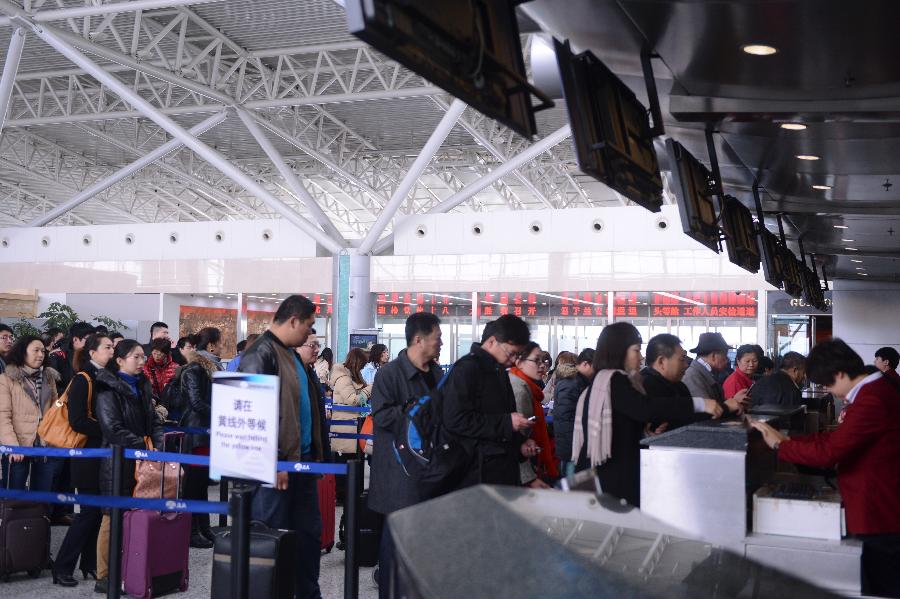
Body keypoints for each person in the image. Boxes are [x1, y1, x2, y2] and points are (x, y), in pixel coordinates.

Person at [751, 339, 900, 598]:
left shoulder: (871, 398)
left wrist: (780, 445)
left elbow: (832, 451)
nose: (831, 392)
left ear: (840, 374)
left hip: (882, 510)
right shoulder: (876, 389)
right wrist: (789, 440)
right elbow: (836, 441)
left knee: (882, 586)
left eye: (829, 384)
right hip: (880, 504)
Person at [573, 324, 721, 507]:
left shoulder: (609, 380)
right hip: (612, 477)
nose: (641, 356)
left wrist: (645, 433)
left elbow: (626, 420)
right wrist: (700, 404)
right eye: (636, 350)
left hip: (612, 473)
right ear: (619, 351)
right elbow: (645, 408)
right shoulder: (614, 379)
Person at [237, 295, 325, 599]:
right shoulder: (260, 354)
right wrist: (272, 461)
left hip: (300, 462)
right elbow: (250, 416)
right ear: (294, 321)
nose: (310, 333)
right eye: (309, 326)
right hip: (274, 470)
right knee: (272, 539)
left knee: (307, 537)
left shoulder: (289, 354)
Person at [367, 313, 443, 595]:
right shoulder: (390, 374)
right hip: (399, 473)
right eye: (437, 338)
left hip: (431, 471)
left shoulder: (437, 374)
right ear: (418, 339)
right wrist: (416, 412)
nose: (441, 343)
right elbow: (383, 416)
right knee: (395, 546)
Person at [92, 339, 164, 594]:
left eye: (143, 357)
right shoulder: (106, 389)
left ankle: (130, 569)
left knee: (138, 515)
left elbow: (153, 419)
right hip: (117, 461)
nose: (142, 361)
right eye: (136, 357)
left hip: (143, 460)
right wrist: (143, 444)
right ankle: (104, 575)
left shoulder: (142, 385)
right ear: (120, 361)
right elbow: (111, 428)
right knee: (111, 518)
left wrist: (156, 442)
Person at [440, 315, 536, 491]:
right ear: (492, 342)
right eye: (511, 353)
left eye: (518, 355)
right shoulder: (466, 369)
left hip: (501, 472)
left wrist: (520, 443)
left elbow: (501, 418)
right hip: (475, 476)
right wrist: (507, 422)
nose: (514, 360)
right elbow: (455, 419)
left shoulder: (498, 370)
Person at [52, 334, 114, 587]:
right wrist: (109, 428)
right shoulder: (83, 379)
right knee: (88, 513)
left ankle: (89, 563)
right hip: (86, 454)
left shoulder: (105, 378)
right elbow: (77, 420)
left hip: (102, 454)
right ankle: (63, 567)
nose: (112, 351)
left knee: (97, 513)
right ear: (92, 352)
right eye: (107, 347)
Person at [0, 335, 62, 492]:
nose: (41, 354)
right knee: (14, 495)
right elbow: (3, 416)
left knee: (42, 493)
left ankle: (39, 518)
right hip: (18, 445)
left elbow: (56, 410)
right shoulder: (6, 379)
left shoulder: (49, 377)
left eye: (42, 351)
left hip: (44, 444)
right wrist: (13, 447)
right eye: (35, 350)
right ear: (23, 352)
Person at [177, 344, 218, 548]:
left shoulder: (201, 370)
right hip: (197, 433)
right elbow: (196, 402)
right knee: (193, 484)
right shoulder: (196, 371)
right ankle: (192, 531)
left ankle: (203, 527)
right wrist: (219, 412)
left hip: (203, 432)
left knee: (200, 484)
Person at [640, 334, 722, 434]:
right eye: (682, 359)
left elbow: (691, 417)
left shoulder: (679, 385)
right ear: (661, 361)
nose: (686, 364)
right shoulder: (644, 386)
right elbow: (683, 418)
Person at [509, 342, 557, 486]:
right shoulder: (519, 389)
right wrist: (528, 478)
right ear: (519, 362)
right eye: (536, 360)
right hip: (521, 474)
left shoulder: (527, 386)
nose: (542, 365)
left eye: (543, 360)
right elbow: (518, 440)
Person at [683, 332, 749, 415]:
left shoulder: (707, 373)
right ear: (713, 356)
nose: (727, 359)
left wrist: (734, 400)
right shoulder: (692, 377)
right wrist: (732, 403)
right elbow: (707, 413)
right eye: (725, 355)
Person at [554, 348, 594, 478]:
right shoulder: (571, 383)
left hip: (575, 445)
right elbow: (566, 418)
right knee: (570, 485)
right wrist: (577, 447)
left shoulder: (578, 381)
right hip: (572, 447)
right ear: (585, 364)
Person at [330, 348, 372, 457]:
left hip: (354, 426)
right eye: (362, 364)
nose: (363, 367)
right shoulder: (343, 378)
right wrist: (369, 390)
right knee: (347, 467)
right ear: (357, 363)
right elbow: (353, 400)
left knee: (355, 467)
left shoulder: (354, 376)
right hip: (346, 429)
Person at [49, 322, 96, 394]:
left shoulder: (90, 356)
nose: (92, 343)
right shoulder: (57, 356)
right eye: (89, 339)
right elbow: (53, 387)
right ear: (75, 339)